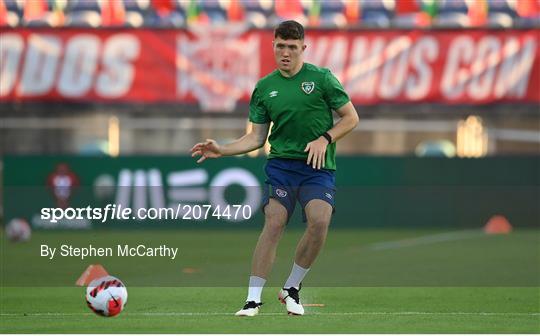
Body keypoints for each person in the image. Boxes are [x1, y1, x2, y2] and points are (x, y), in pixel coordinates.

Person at [190, 20, 359, 316]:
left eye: (292, 47)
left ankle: (291, 288)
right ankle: (252, 299)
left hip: (317, 166)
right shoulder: (264, 87)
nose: (285, 53)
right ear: (273, 46)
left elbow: (351, 118)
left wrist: (325, 138)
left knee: (319, 221)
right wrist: (223, 150)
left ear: (303, 48)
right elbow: (256, 137)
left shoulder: (322, 79)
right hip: (281, 165)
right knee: (274, 221)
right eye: (280, 46)